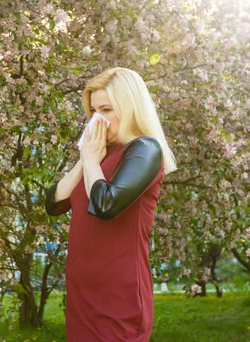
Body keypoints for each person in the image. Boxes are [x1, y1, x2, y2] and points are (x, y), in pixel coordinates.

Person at [45, 67, 177, 341]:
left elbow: (106, 204)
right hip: (82, 291)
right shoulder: (98, 155)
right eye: (93, 112)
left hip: (119, 294)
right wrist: (86, 158)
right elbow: (54, 203)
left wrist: (92, 161)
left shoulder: (145, 149)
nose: (97, 120)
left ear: (128, 107)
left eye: (106, 110)